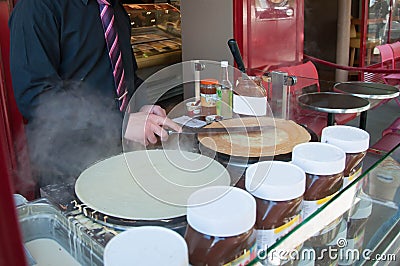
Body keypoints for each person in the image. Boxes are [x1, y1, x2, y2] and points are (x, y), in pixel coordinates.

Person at [8, 0, 180, 190]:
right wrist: (121, 123)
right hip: (70, 166)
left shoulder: (114, 9)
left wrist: (142, 105)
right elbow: (35, 96)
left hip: (120, 155)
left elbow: (127, 76)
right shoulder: (37, 7)